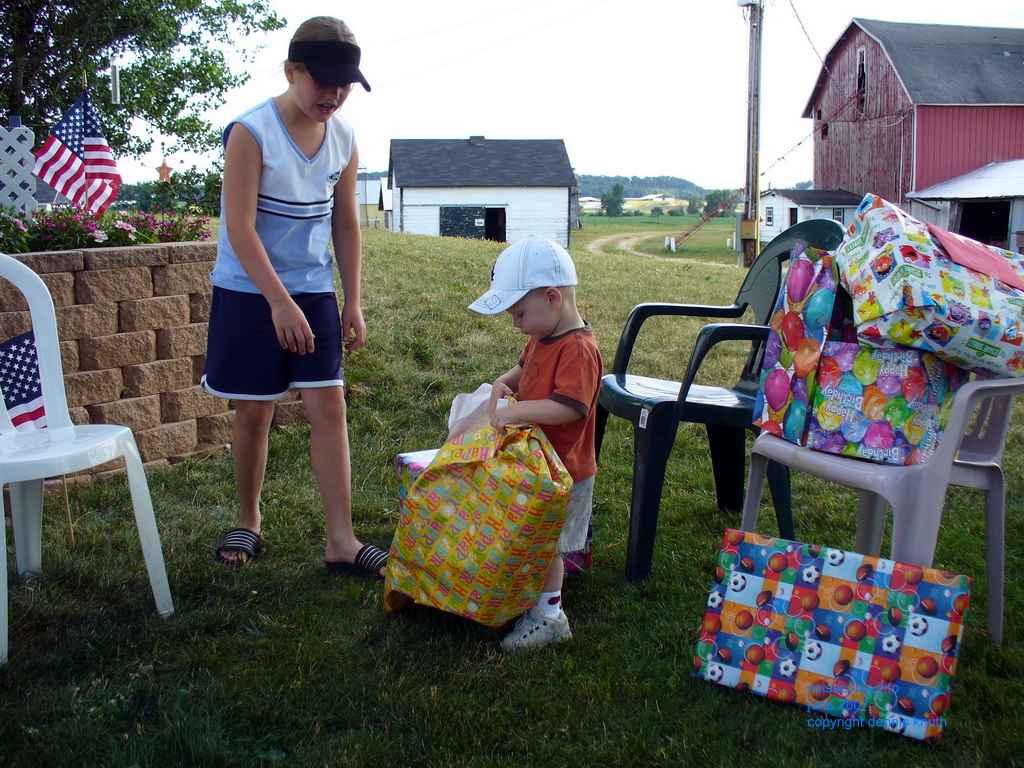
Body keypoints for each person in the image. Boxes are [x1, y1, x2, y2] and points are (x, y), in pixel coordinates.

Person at [202, 16, 387, 578]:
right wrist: (277, 301)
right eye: (321, 80)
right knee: (254, 413)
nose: (333, 94)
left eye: (345, 84)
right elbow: (239, 228)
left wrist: (350, 300)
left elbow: (346, 223)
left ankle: (342, 540)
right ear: (291, 71)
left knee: (329, 406)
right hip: (249, 292)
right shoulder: (250, 133)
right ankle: (249, 519)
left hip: (312, 291)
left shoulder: (346, 137)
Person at [468, 235, 603, 650]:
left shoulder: (578, 350)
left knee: (549, 547)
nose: (516, 323)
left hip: (565, 471)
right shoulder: (541, 337)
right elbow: (520, 370)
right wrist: (502, 383)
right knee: (535, 538)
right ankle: (534, 595)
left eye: (519, 312)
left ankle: (549, 616)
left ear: (552, 297)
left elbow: (571, 408)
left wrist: (516, 411)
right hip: (538, 467)